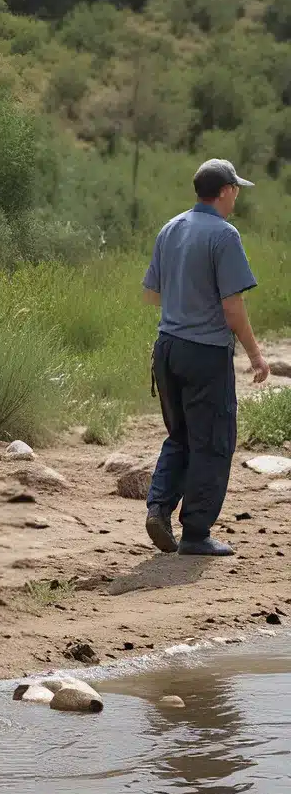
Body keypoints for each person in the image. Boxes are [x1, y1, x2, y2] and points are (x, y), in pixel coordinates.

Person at [142, 158, 269, 558]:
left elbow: (153, 293)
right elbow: (233, 307)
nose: (236, 198)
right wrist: (256, 354)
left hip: (167, 348)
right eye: (236, 191)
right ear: (227, 190)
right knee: (212, 441)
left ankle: (159, 509)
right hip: (205, 353)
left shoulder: (171, 228)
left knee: (179, 435)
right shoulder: (225, 235)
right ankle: (196, 532)